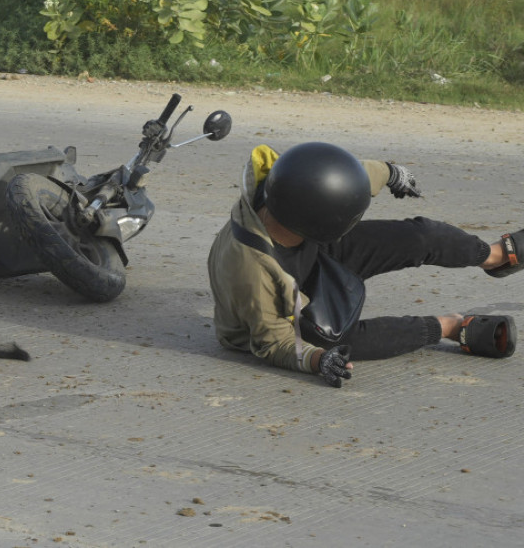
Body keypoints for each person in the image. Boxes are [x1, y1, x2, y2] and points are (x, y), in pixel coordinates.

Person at [207, 141, 518, 388]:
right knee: (340, 341)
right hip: (282, 313)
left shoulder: (286, 182)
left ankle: (494, 257)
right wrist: (319, 361)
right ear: (319, 223)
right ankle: (450, 326)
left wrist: (390, 172)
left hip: (311, 249)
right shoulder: (252, 270)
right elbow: (275, 341)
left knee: (418, 237)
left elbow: (341, 176)